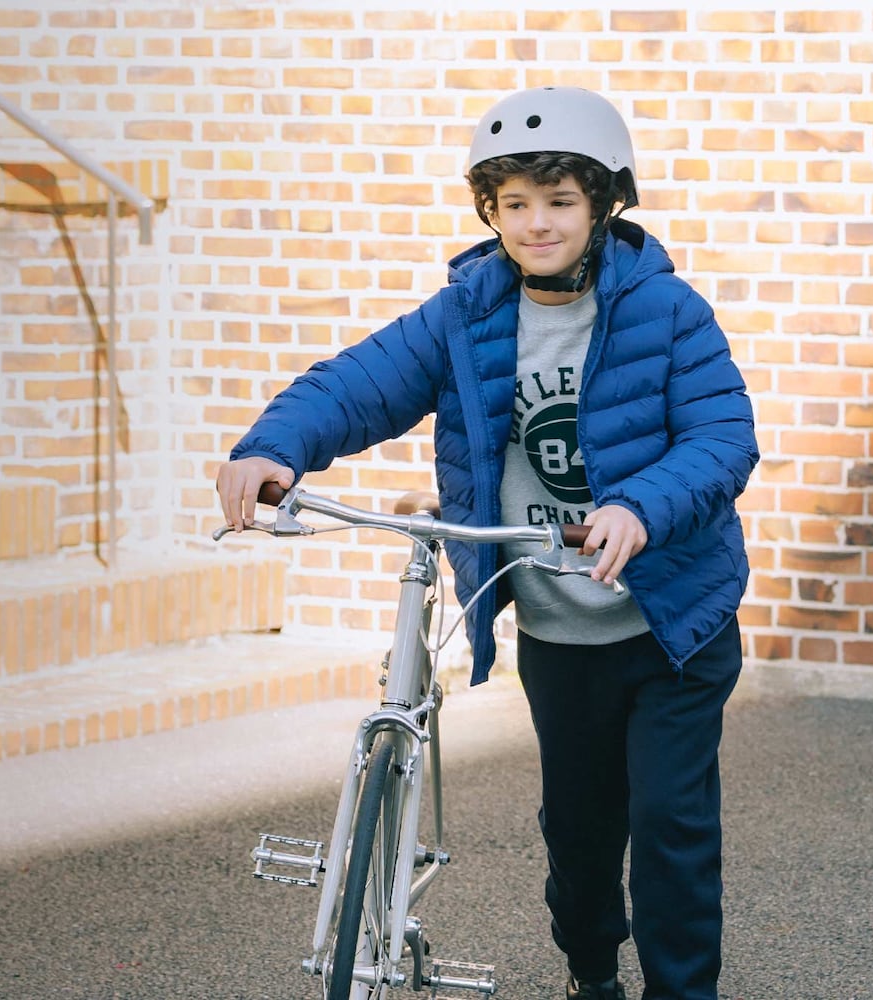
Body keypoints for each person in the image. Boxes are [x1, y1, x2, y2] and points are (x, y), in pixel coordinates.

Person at [216, 86, 759, 1000]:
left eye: (558, 201)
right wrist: (274, 446)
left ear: (603, 204)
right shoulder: (467, 313)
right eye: (513, 204)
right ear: (490, 211)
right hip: (560, 630)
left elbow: (722, 439)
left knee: (669, 833)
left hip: (673, 624)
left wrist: (638, 508)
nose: (535, 224)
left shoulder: (669, 313)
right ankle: (594, 980)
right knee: (580, 844)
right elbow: (360, 382)